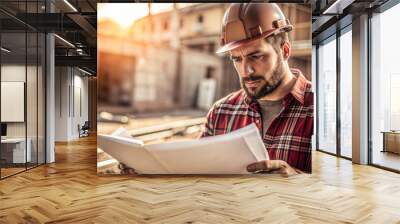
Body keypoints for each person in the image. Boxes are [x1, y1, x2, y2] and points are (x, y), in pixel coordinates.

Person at [200, 3, 313, 176]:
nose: (246, 71)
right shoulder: (220, 113)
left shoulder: (321, 111)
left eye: (256, 56)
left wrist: (297, 180)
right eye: (237, 59)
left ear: (284, 51)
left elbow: (343, 186)